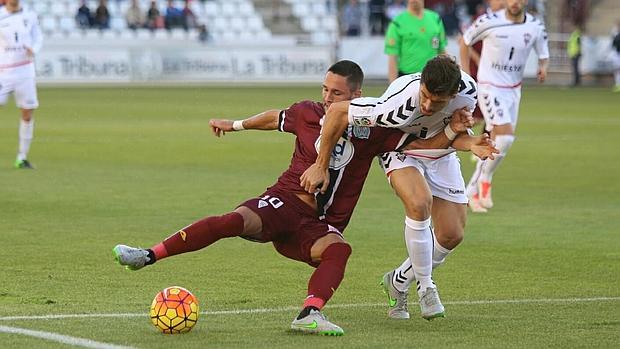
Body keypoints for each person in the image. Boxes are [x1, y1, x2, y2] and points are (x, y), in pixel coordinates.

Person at [113, 60, 495, 335]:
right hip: (284, 204)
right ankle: (147, 255)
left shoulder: (376, 128)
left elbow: (418, 146)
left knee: (339, 251)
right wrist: (235, 124)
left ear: (355, 97)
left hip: (318, 227)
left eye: (337, 94)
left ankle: (309, 314)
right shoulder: (308, 113)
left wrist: (462, 142)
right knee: (234, 221)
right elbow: (274, 117)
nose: (328, 98)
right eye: (325, 90)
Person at [301, 55, 495, 320]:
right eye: (425, 95)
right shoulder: (395, 106)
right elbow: (337, 112)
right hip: (399, 150)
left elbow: (447, 137)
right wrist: (321, 165)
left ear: (453, 94)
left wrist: (471, 143)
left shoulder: (469, 93)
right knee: (419, 202)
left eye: (436, 102)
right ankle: (426, 287)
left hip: (440, 151)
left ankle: (398, 280)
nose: (427, 105)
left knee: (451, 234)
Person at [460, 0, 549, 212]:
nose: (514, 2)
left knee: (496, 141)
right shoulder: (489, 21)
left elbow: (544, 55)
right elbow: (465, 41)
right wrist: (466, 76)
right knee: (506, 136)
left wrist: (543, 68)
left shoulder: (536, 27)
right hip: (489, 87)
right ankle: (485, 179)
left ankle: (470, 192)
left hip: (513, 91)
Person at [0, 0, 42, 169]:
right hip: (3, 71)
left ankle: (22, 157)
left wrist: (34, 49)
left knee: (27, 113)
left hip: (25, 71)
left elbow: (38, 36)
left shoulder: (30, 15)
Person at [385, 0, 447, 82]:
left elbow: (441, 51)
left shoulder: (436, 19)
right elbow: (393, 58)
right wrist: (393, 87)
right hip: (407, 77)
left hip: (433, 77)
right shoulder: (397, 23)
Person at [611, 25, 620, 92]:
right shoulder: (616, 36)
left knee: (617, 70)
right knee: (617, 70)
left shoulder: (617, 36)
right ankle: (617, 85)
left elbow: (614, 45)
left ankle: (618, 85)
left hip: (618, 55)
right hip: (617, 54)